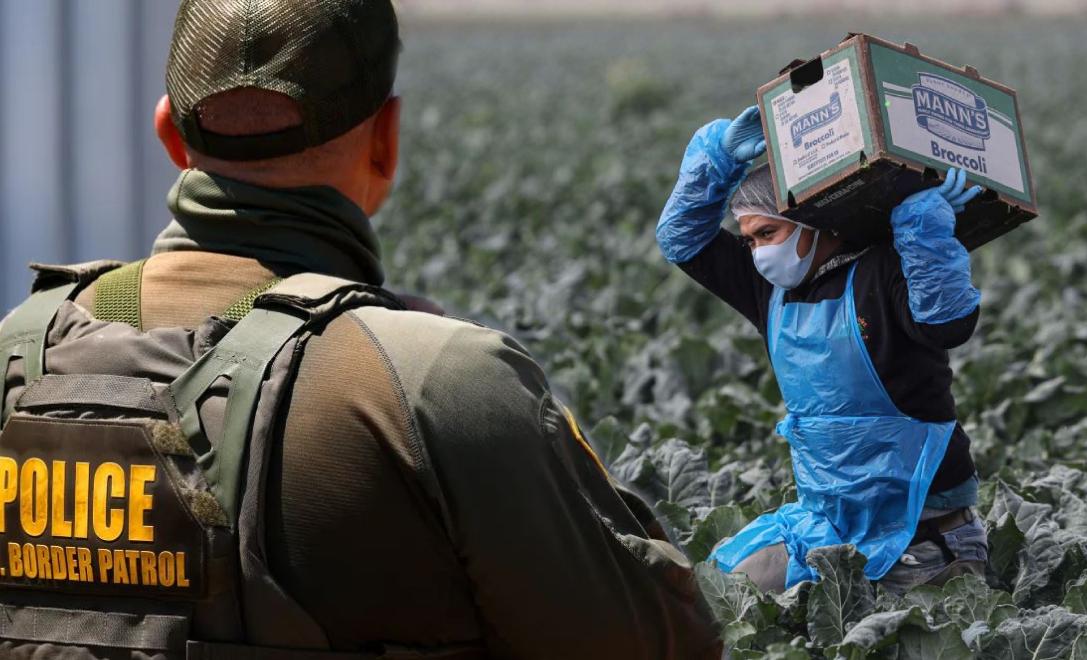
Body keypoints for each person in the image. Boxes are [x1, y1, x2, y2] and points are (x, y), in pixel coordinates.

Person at [0, 1, 721, 658]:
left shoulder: (18, 353)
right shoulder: (438, 381)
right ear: (387, 142)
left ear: (168, 134)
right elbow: (662, 643)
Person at [656, 106, 989, 594]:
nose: (757, 252)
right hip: (827, 523)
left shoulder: (886, 269)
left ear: (813, 222)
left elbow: (949, 323)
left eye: (767, 233)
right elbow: (680, 240)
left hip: (923, 532)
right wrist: (718, 159)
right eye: (748, 241)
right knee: (716, 601)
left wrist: (925, 227)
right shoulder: (768, 290)